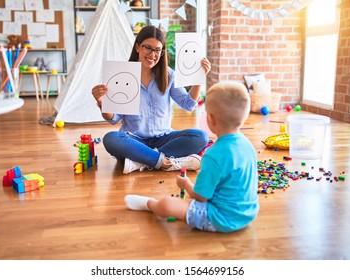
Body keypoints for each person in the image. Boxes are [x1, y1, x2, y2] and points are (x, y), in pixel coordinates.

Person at [125, 82, 259, 233]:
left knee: (167, 204)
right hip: (248, 213)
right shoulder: (248, 145)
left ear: (211, 119)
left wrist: (186, 184)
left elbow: (201, 197)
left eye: (205, 112)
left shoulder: (213, 155)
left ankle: (150, 204)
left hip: (221, 218)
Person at [92, 26, 211, 174]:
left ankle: (141, 161)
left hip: (164, 138)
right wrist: (102, 103)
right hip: (133, 140)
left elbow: (188, 105)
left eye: (157, 50)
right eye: (148, 48)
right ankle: (162, 161)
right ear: (137, 47)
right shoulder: (123, 75)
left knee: (200, 137)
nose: (152, 54)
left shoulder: (168, 75)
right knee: (111, 139)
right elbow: (114, 119)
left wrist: (198, 78)